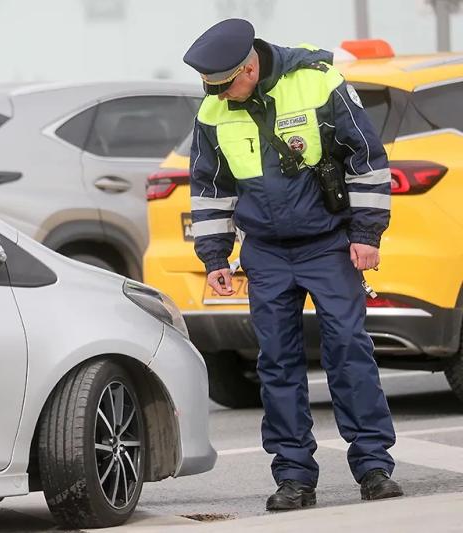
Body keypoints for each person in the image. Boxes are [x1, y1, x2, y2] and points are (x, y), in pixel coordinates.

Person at [183, 19, 402, 511]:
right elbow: (210, 187)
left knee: (349, 349)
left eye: (225, 84)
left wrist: (366, 234)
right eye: (211, 88)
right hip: (265, 252)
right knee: (277, 364)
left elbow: (366, 157)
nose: (220, 95)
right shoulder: (214, 110)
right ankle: (294, 476)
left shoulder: (319, 81)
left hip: (327, 242)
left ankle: (373, 466)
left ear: (250, 66)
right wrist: (215, 255)